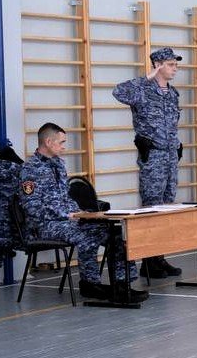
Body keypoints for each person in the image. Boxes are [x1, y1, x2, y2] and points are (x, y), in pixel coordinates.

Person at [19, 123, 144, 303]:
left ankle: (122, 285)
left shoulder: (58, 165)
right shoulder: (30, 169)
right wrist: (65, 214)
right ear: (48, 142)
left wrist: (79, 212)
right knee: (86, 236)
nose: (64, 147)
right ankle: (89, 284)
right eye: (61, 142)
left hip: (68, 221)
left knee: (116, 234)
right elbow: (32, 207)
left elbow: (65, 197)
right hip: (45, 225)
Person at [113, 46, 184, 278]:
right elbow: (118, 91)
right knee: (152, 206)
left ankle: (158, 258)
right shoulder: (142, 91)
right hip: (153, 157)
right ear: (158, 65)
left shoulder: (173, 94)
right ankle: (149, 259)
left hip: (170, 156)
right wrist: (147, 78)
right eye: (171, 64)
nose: (175, 68)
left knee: (166, 207)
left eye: (175, 64)